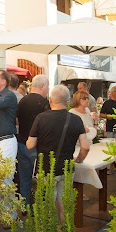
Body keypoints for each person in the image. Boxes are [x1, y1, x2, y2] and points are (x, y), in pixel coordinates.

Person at [26, 85, 90, 224]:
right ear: (68, 102)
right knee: (64, 204)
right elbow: (85, 146)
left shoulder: (41, 118)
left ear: (50, 100)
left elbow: (30, 145)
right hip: (67, 168)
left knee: (48, 206)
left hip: (46, 168)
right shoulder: (76, 119)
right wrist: (79, 159)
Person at [16, 75, 49, 208]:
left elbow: (17, 121)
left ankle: (25, 207)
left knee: (24, 179)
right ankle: (40, 209)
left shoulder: (22, 100)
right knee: (40, 179)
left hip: (22, 143)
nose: (47, 89)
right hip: (38, 146)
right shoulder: (44, 102)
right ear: (42, 86)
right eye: (47, 86)